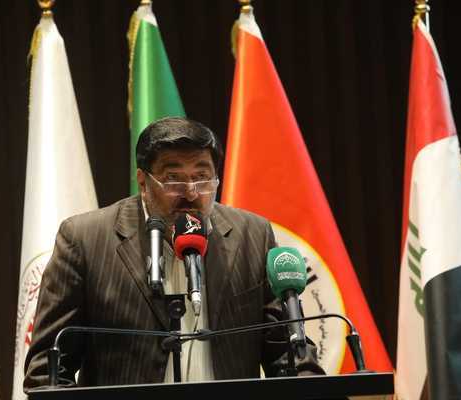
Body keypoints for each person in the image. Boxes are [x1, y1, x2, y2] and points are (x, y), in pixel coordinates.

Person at [23, 117, 323, 389]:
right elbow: (48, 371)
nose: (191, 192)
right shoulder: (85, 240)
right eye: (173, 178)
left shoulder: (252, 236)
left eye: (202, 177)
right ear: (143, 181)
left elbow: (288, 356)